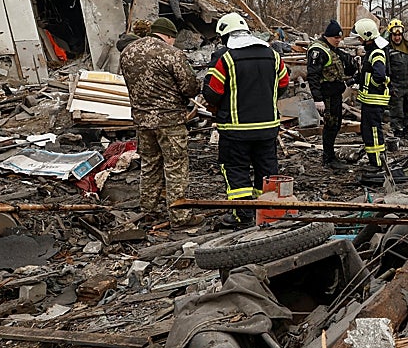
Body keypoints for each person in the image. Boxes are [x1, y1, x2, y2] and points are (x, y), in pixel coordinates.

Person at [203, 12, 290, 228]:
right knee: (267, 169)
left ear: (224, 35)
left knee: (236, 169)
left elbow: (212, 92)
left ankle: (242, 216)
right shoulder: (273, 55)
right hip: (268, 127)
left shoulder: (227, 58)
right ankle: (268, 212)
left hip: (235, 128)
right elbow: (284, 85)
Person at [118, 16, 201, 227]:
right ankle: (179, 216)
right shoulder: (171, 54)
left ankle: (148, 211)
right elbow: (190, 87)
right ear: (169, 36)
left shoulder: (129, 52)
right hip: (169, 120)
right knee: (175, 166)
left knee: (149, 164)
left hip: (142, 120)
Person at [306, 19, 356, 169]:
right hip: (326, 95)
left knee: (336, 124)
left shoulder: (331, 48)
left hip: (335, 94)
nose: (339, 40)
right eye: (336, 38)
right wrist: (318, 99)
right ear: (328, 36)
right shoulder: (318, 51)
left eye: (340, 37)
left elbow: (343, 64)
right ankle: (328, 158)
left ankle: (330, 156)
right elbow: (313, 76)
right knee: (331, 125)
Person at [353, 17, 390, 171]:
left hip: (374, 100)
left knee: (374, 131)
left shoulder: (376, 53)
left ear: (367, 36)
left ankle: (378, 163)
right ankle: (374, 161)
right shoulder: (372, 51)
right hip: (370, 100)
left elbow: (380, 75)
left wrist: (373, 86)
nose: (359, 39)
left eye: (360, 37)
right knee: (368, 130)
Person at [385, 19, 408, 138]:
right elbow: (385, 68)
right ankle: (397, 132)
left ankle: (406, 130)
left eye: (399, 34)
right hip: (396, 84)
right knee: (397, 110)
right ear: (391, 34)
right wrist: (389, 85)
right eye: (395, 35)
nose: (397, 37)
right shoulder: (387, 48)